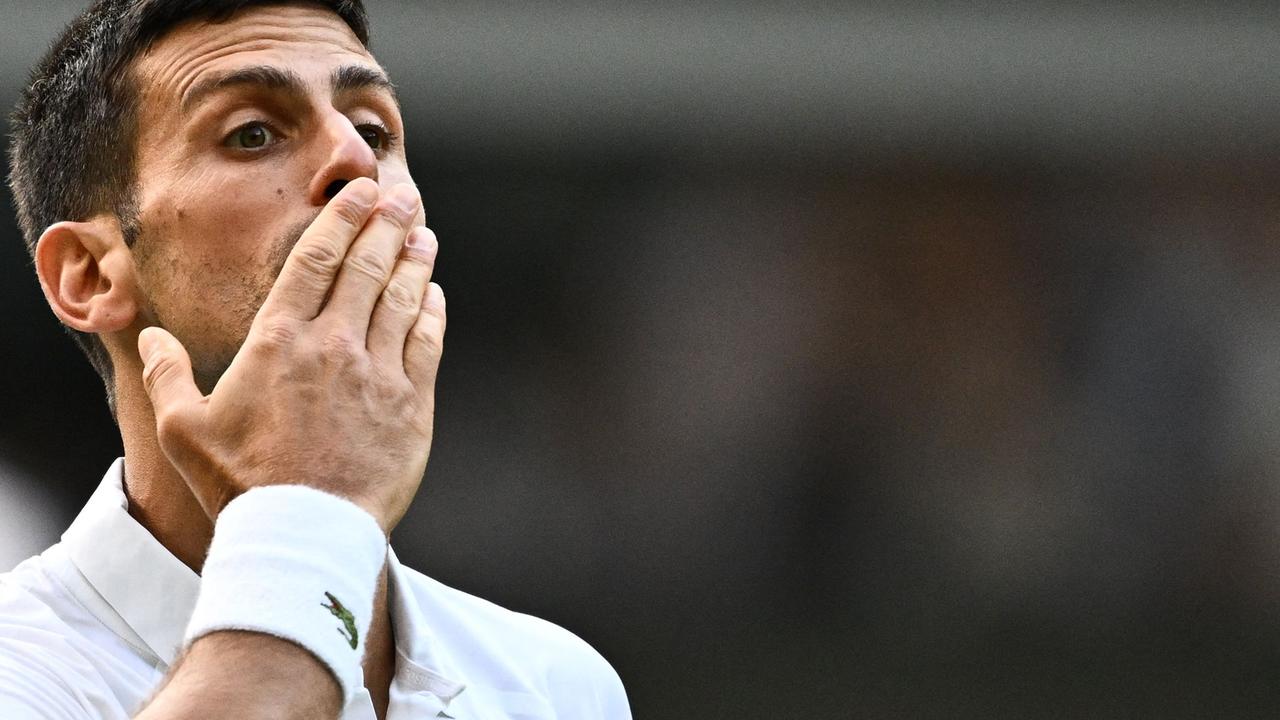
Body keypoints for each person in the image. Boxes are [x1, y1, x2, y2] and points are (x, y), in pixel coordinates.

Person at [0, 1, 631, 718]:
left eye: (373, 130)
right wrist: (304, 508)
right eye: (252, 134)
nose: (356, 162)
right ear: (88, 274)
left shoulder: (557, 684)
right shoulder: (18, 670)